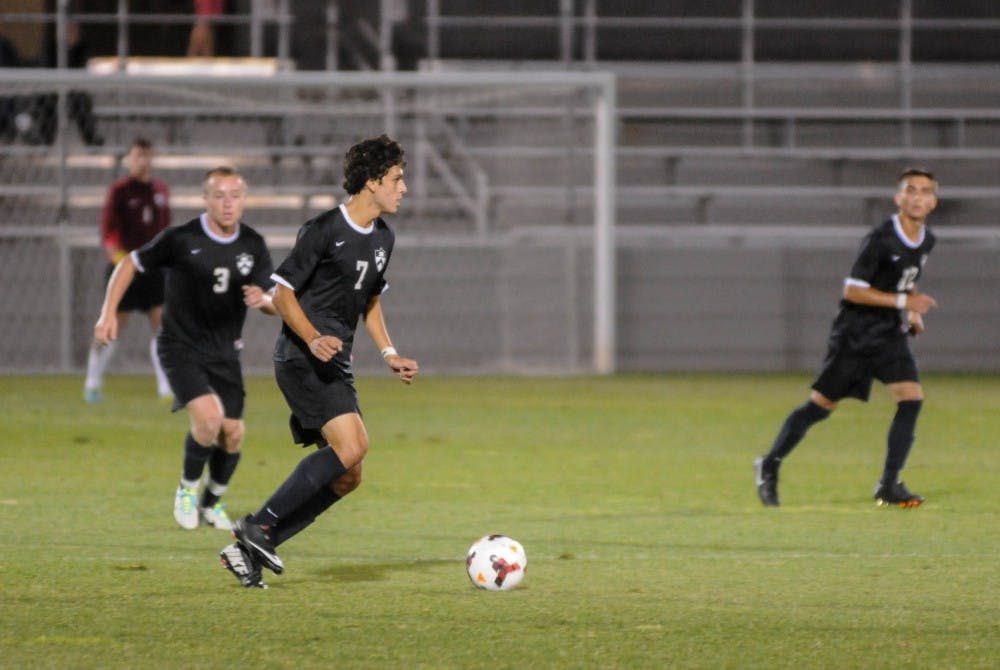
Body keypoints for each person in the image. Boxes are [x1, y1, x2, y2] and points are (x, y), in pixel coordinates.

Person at [219, 135, 418, 588]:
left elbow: (369, 300)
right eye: (397, 179)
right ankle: (259, 526)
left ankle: (249, 547)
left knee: (349, 476)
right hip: (300, 355)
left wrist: (389, 353)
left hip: (334, 361)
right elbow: (284, 294)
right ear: (371, 182)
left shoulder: (384, 239)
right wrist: (311, 338)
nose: (403, 188)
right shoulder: (324, 229)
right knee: (353, 447)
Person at [94, 166, 276, 531]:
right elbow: (130, 263)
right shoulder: (181, 239)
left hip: (225, 352)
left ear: (244, 200)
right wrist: (108, 312)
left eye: (235, 196)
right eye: (219, 196)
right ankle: (187, 491)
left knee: (233, 433)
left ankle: (211, 504)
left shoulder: (253, 244)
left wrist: (263, 299)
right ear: (205, 199)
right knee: (208, 419)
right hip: (180, 346)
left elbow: (274, 302)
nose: (227, 204)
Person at [754, 168, 940, 508]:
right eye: (910, 190)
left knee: (911, 399)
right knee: (820, 407)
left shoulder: (927, 238)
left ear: (933, 201)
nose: (917, 196)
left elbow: (907, 278)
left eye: (925, 191)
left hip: (888, 334)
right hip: (855, 333)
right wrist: (904, 302)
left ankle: (889, 483)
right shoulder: (880, 238)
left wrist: (912, 312)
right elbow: (852, 290)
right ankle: (769, 464)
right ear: (898, 198)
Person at [84, 138, 172, 403]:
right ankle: (93, 381)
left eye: (146, 155)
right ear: (129, 159)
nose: (142, 161)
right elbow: (109, 231)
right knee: (113, 324)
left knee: (161, 324)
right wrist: (120, 260)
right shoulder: (119, 191)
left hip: (153, 268)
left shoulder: (160, 191)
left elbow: (165, 229)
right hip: (126, 267)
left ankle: (165, 387)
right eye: (137, 156)